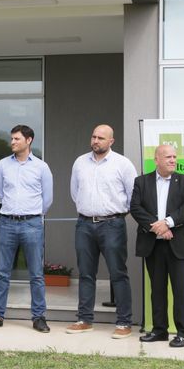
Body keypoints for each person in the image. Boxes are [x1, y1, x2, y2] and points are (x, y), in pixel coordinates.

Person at [68, 124, 137, 339]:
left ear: (111, 141)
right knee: (86, 274)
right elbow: (75, 193)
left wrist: (114, 215)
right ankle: (84, 320)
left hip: (112, 225)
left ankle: (124, 322)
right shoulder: (80, 162)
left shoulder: (123, 164)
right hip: (84, 224)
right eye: (94, 136)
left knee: (118, 273)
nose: (96, 141)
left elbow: (133, 195)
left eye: (101, 138)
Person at [0, 125, 53, 333]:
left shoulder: (41, 167)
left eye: (16, 139)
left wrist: (32, 214)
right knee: (2, 272)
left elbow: (47, 199)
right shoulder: (3, 165)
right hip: (6, 223)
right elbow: (1, 193)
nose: (12, 142)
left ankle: (39, 317)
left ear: (28, 140)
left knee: (36, 274)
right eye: (12, 138)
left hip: (32, 224)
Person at [130, 144, 184, 348]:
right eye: (168, 157)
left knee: (183, 290)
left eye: (174, 157)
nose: (173, 160)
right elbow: (136, 208)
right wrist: (158, 228)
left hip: (179, 244)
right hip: (153, 245)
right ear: (156, 160)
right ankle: (159, 330)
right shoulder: (141, 182)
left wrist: (168, 223)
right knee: (157, 290)